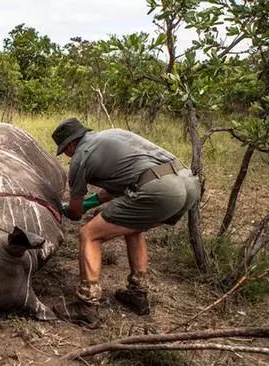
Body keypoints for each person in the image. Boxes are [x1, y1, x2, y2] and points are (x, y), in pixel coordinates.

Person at [52, 118, 200, 328]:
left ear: (71, 145)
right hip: (187, 184)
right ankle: (138, 294)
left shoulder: (80, 157)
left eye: (64, 151)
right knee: (133, 227)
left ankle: (87, 306)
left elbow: (75, 213)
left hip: (161, 190)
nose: (66, 156)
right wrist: (90, 203)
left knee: (89, 234)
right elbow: (120, 184)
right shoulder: (113, 135)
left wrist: (67, 208)